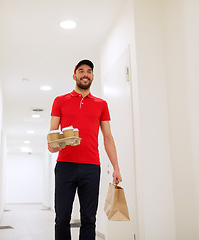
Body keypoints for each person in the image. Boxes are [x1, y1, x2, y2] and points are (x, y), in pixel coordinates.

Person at [48, 59, 122, 240]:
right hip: (65, 166)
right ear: (74, 76)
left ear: (93, 77)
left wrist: (116, 167)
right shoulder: (59, 101)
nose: (85, 74)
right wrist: (56, 144)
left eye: (89, 71)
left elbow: (107, 137)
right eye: (81, 71)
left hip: (91, 167)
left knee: (89, 219)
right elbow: (52, 135)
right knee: (62, 218)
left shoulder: (101, 104)